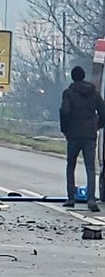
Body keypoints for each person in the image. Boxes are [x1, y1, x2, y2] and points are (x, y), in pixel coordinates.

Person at [59, 65, 105, 211]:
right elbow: (103, 112)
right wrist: (97, 125)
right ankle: (91, 199)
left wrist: (65, 129)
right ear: (84, 76)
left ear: (73, 77)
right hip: (90, 135)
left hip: (73, 134)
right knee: (90, 167)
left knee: (71, 166)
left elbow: (64, 112)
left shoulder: (68, 93)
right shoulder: (94, 93)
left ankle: (71, 197)